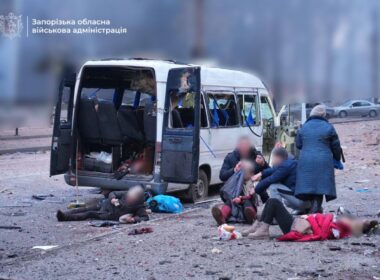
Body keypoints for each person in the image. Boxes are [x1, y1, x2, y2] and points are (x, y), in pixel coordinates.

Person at [244, 198, 378, 240]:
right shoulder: (339, 225)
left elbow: (320, 228)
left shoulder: (339, 228)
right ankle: (258, 227)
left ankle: (262, 230)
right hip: (299, 222)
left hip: (297, 226)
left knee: (274, 202)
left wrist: (310, 218)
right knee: (272, 203)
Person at [295, 105, 342, 213]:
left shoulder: (303, 127)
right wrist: (337, 159)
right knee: (319, 186)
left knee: (309, 184)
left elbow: (298, 144)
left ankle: (314, 209)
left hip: (306, 160)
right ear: (323, 114)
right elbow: (336, 146)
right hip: (323, 160)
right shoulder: (329, 127)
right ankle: (315, 210)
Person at [251, 147, 311, 214]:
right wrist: (261, 173)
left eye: (273, 157)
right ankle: (303, 209)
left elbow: (271, 179)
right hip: (305, 200)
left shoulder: (286, 166)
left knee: (274, 187)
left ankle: (278, 215)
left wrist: (255, 189)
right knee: (286, 202)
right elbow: (273, 170)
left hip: (302, 201)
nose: (272, 160)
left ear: (278, 157)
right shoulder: (288, 163)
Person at [56, 185, 149, 223]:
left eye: (131, 199)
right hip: (106, 205)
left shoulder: (139, 206)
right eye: (128, 197)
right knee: (86, 208)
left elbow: (145, 218)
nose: (128, 199)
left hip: (109, 215)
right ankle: (66, 213)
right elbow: (113, 193)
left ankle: (65, 218)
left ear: (136, 199)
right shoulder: (126, 193)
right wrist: (112, 199)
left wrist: (133, 219)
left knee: (90, 213)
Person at [212, 160, 258, 225]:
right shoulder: (237, 180)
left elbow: (250, 196)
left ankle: (251, 215)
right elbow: (228, 188)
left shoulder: (251, 183)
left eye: (244, 172)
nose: (242, 173)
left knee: (247, 202)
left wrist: (241, 199)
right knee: (228, 202)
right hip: (235, 203)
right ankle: (222, 217)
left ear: (251, 173)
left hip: (246, 203)